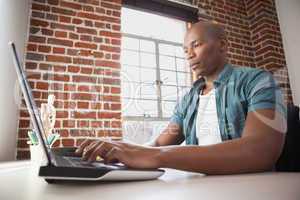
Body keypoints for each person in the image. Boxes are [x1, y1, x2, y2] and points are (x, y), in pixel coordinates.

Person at [75, 21, 287, 175]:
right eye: (185, 50)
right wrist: (119, 148)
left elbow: (260, 150)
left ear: (222, 45)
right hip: (200, 186)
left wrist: (158, 156)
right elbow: (159, 142)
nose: (189, 55)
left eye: (196, 45)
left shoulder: (257, 81)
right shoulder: (188, 99)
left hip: (251, 188)